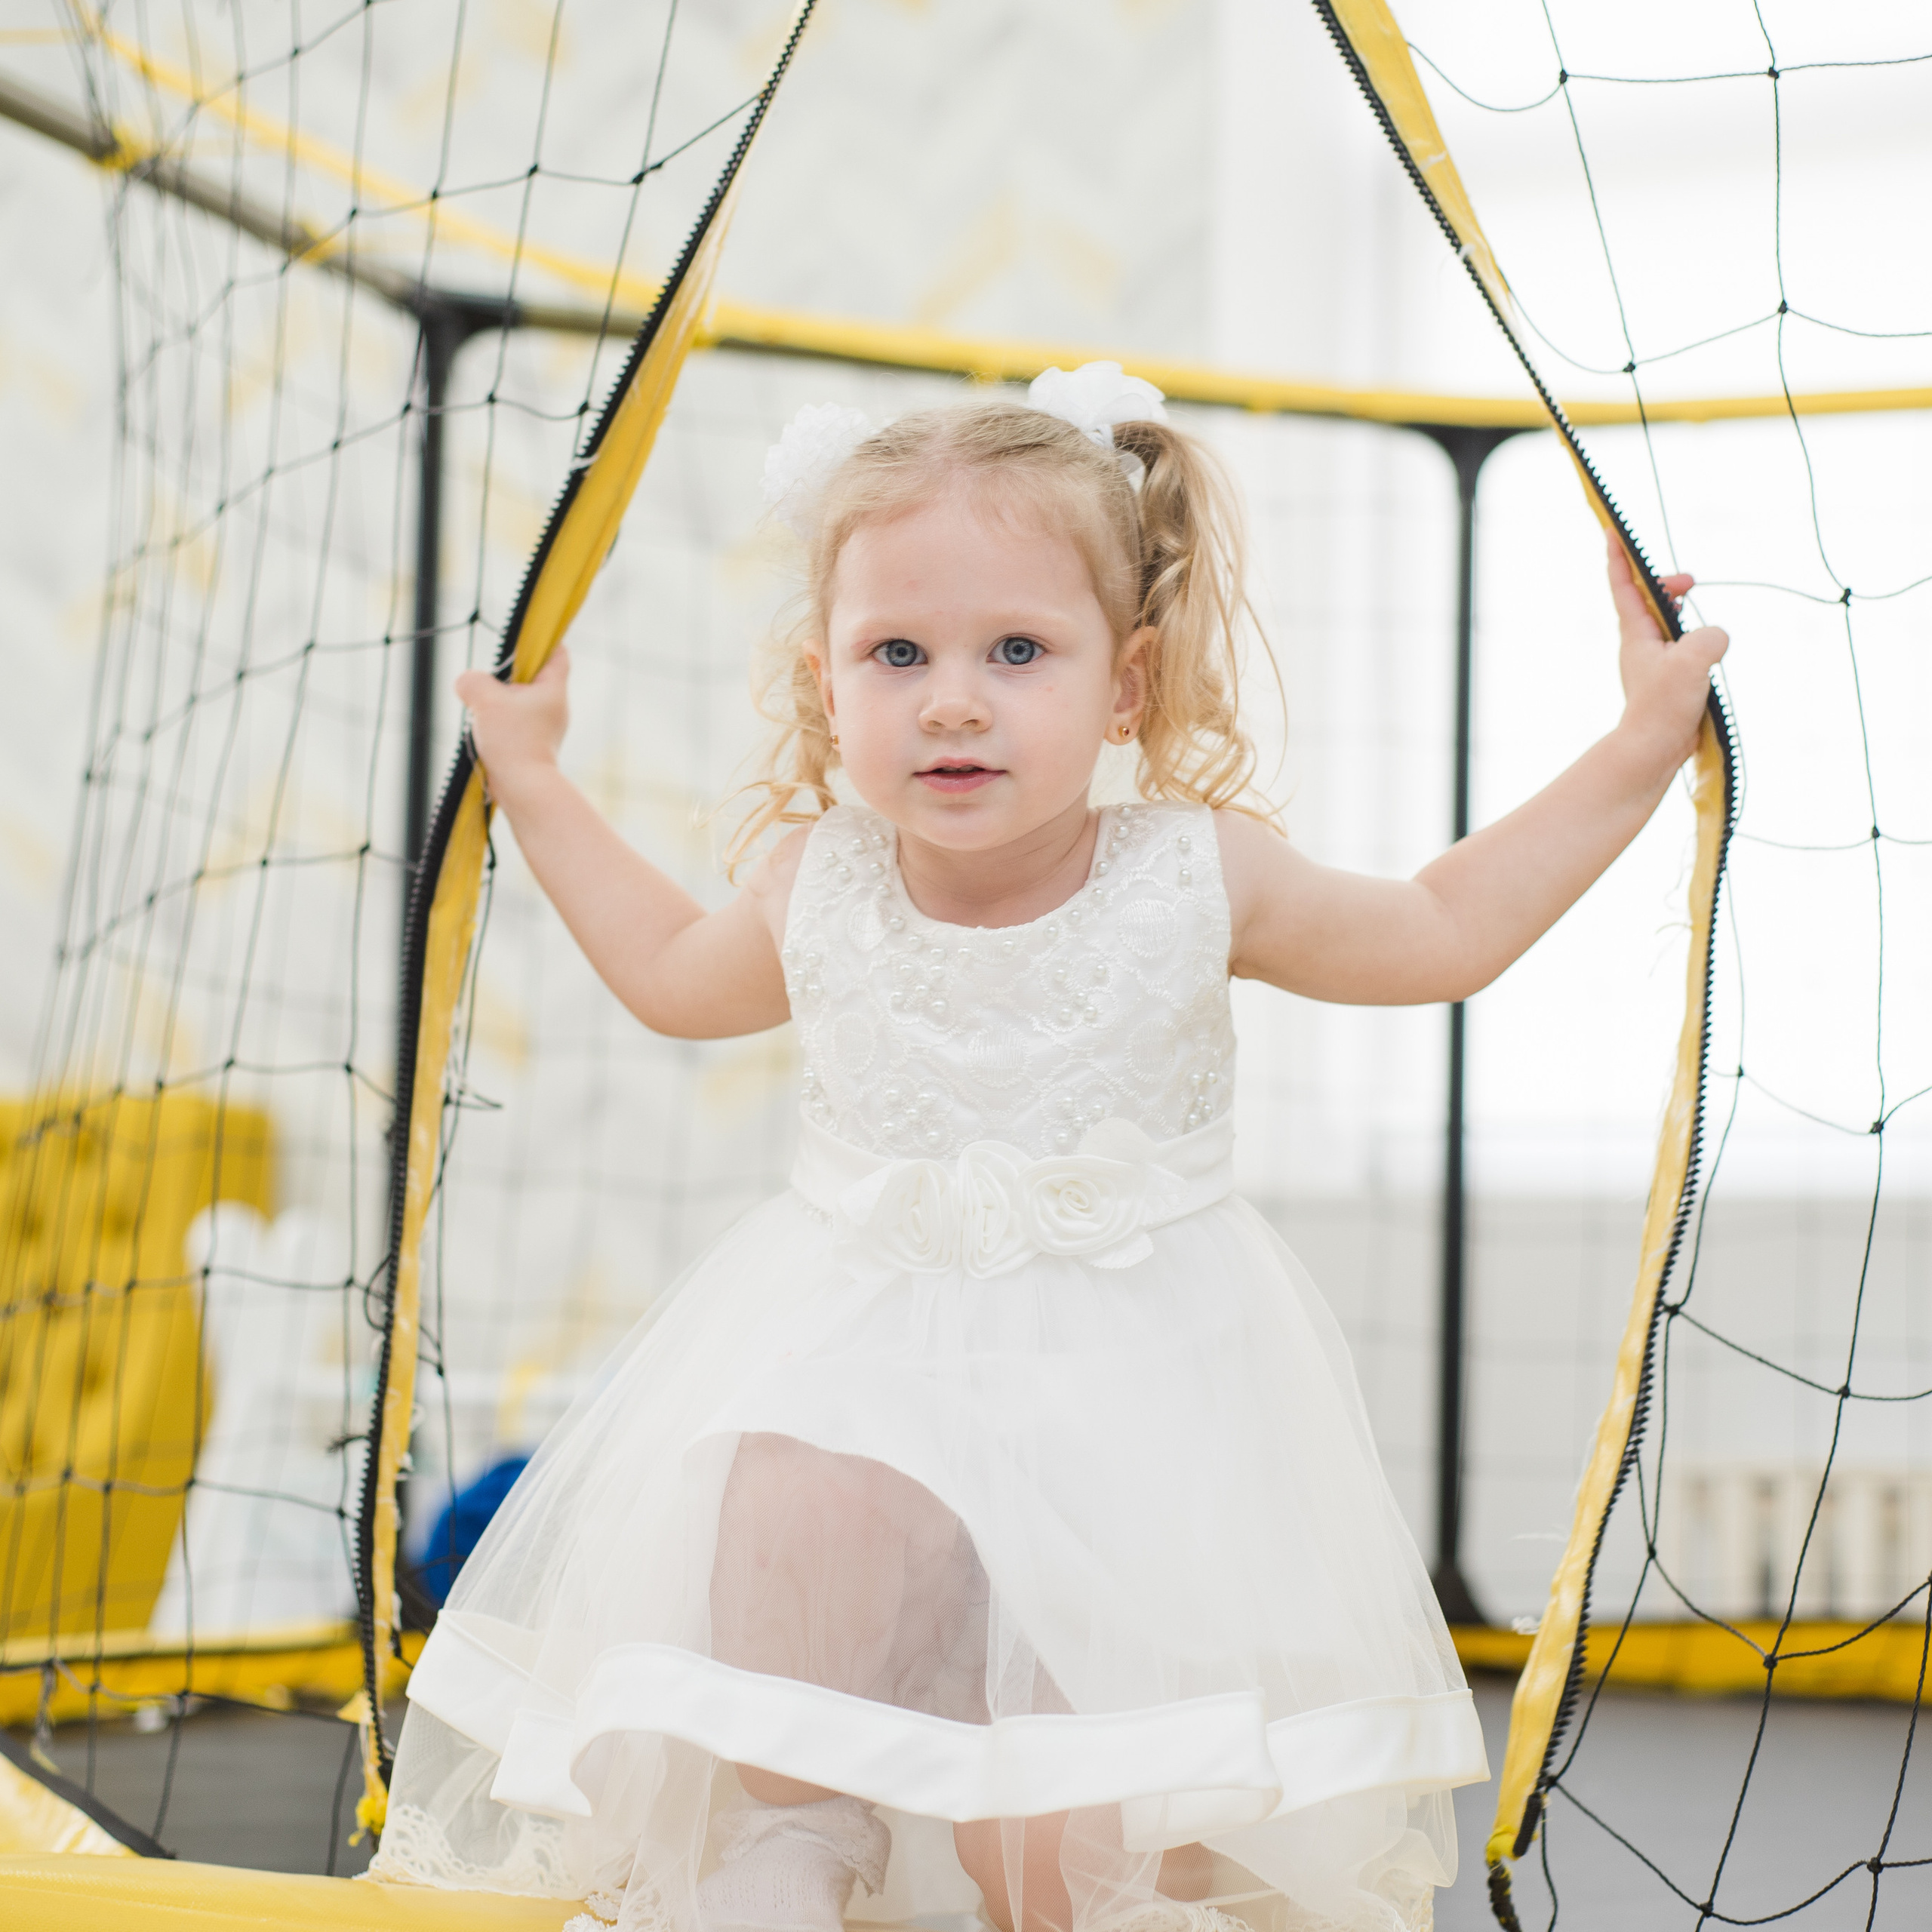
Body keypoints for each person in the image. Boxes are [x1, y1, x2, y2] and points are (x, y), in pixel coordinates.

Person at [371, 363, 1727, 1932]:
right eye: (898, 652)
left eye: (1016, 650)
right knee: (785, 1524)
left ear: (1126, 684)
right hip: (860, 1363)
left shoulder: (1193, 873)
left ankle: (1105, 1878)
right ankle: (787, 1843)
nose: (952, 696)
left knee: (1066, 1858)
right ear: (827, 683)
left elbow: (1435, 931)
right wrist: (529, 776)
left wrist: (1641, 735)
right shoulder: (819, 880)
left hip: (1124, 1412)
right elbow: (673, 973)